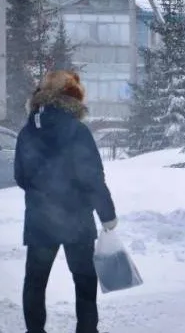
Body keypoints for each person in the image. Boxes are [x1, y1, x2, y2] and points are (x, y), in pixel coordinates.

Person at [15, 70, 118, 333]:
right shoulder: (77, 131)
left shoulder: (28, 131)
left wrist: (43, 193)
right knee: (84, 280)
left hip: (39, 219)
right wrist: (107, 214)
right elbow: (92, 177)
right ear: (72, 98)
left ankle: (34, 330)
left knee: (35, 281)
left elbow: (20, 177)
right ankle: (86, 330)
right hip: (77, 220)